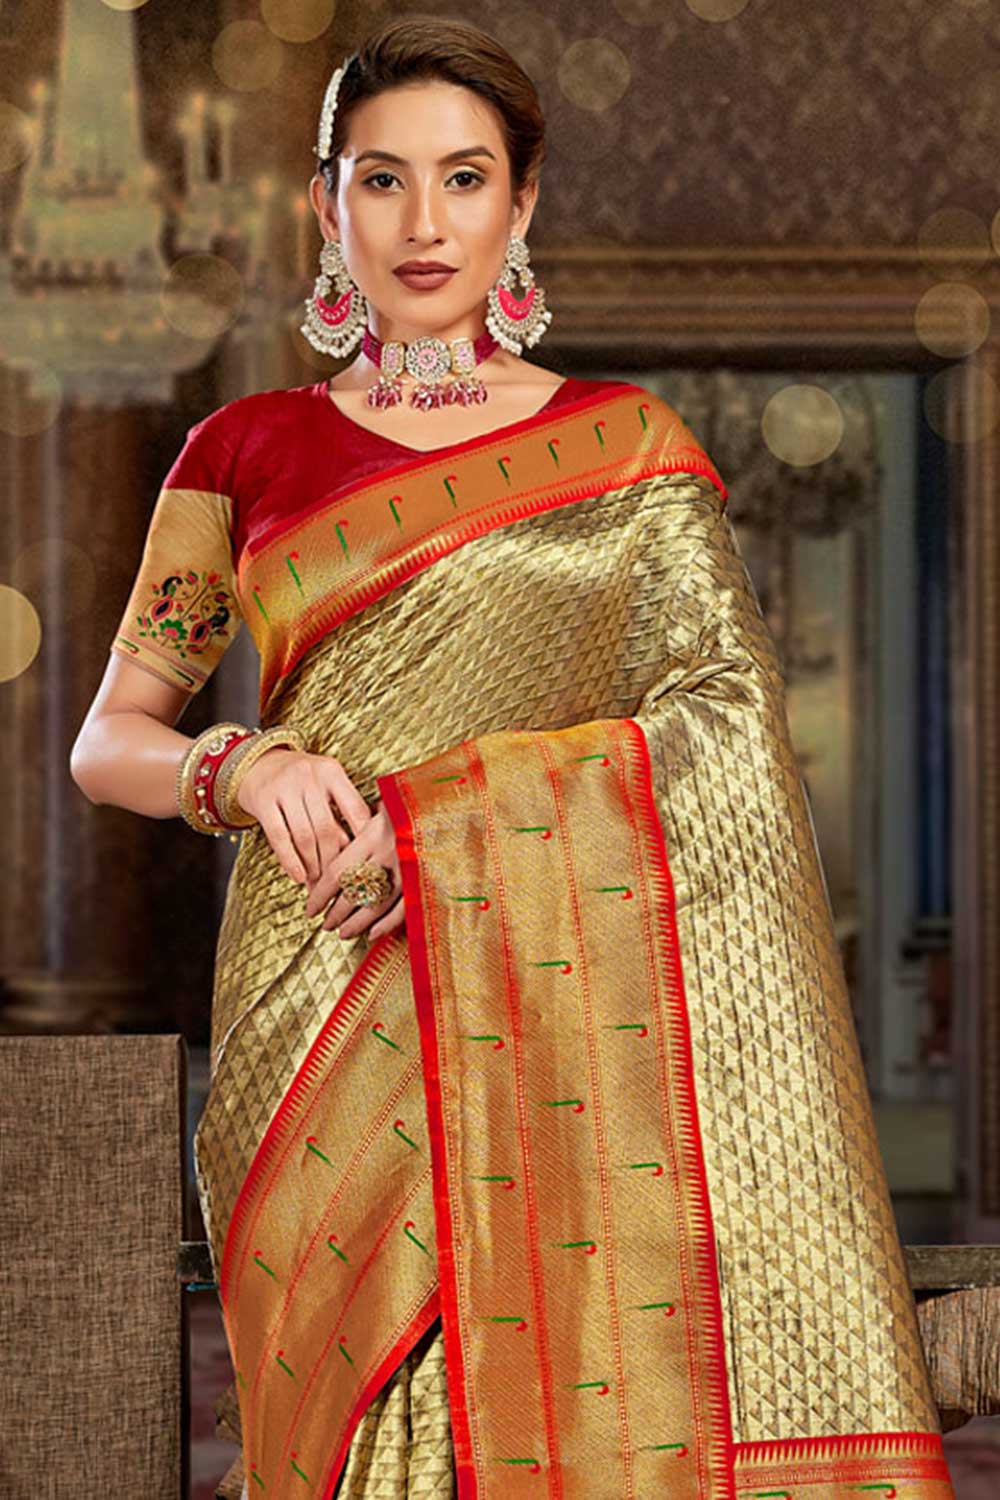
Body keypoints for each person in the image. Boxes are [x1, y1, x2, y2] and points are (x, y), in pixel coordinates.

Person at [70, 18, 956, 1500]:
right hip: (317, 982)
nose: (423, 223)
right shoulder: (239, 452)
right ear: (326, 203)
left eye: (465, 178)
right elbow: (111, 741)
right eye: (382, 179)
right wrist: (246, 769)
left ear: (523, 201)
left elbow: (727, 714)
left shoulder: (628, 448)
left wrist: (445, 829)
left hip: (544, 991)